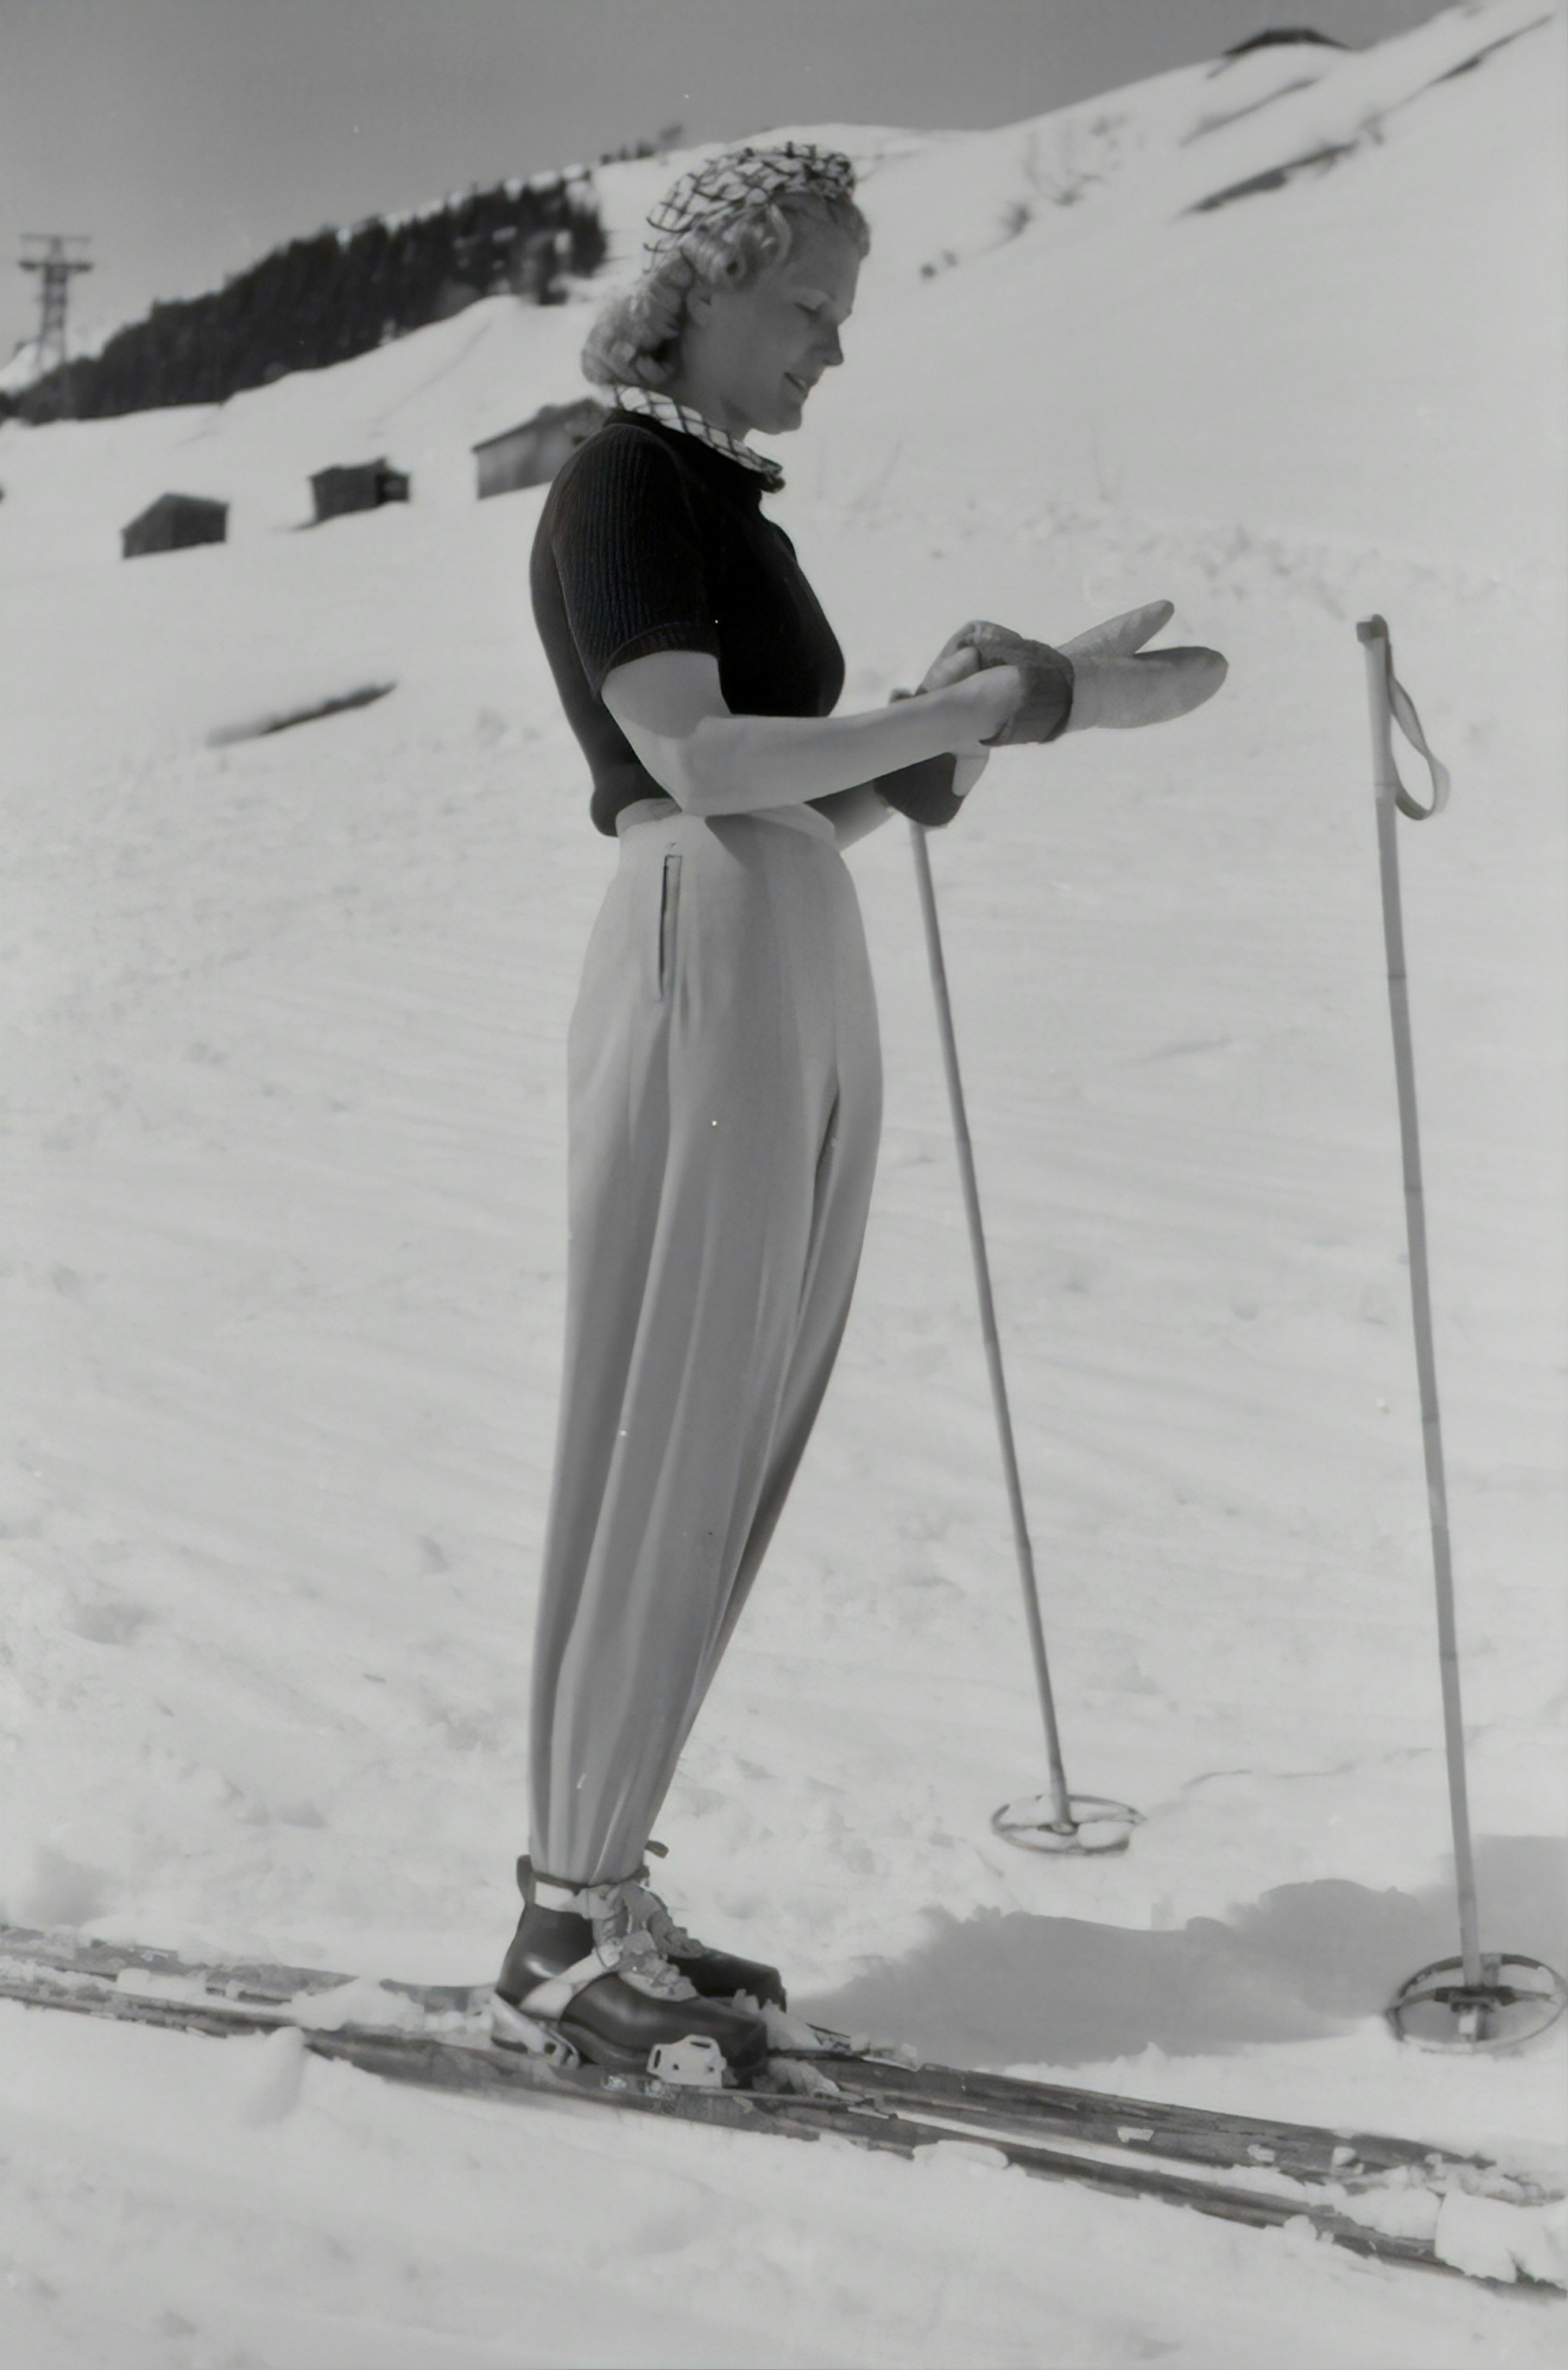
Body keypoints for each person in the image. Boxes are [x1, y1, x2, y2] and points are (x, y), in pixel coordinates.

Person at [494, 141, 1223, 2088]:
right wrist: (983, 717)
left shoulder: (724, 498)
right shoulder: (624, 481)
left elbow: (805, 791)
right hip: (704, 940)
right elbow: (703, 757)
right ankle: (561, 1923)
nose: (832, 347)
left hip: (783, 936)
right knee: (670, 1417)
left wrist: (986, 702)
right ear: (703, 293)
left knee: (738, 1422)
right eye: (807, 306)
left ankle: (604, 1871)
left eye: (842, 314)